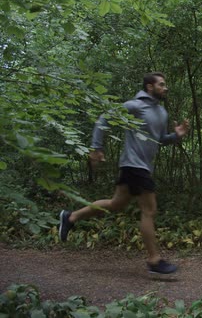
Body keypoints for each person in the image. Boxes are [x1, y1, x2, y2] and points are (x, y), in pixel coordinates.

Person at [59, 72, 189, 274]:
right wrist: (96, 147)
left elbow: (160, 139)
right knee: (149, 210)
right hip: (133, 164)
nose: (166, 88)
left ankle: (70, 217)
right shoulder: (135, 106)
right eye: (161, 84)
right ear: (149, 87)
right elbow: (105, 118)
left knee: (116, 204)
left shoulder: (162, 112)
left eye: (166, 84)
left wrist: (176, 136)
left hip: (142, 166)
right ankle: (154, 261)